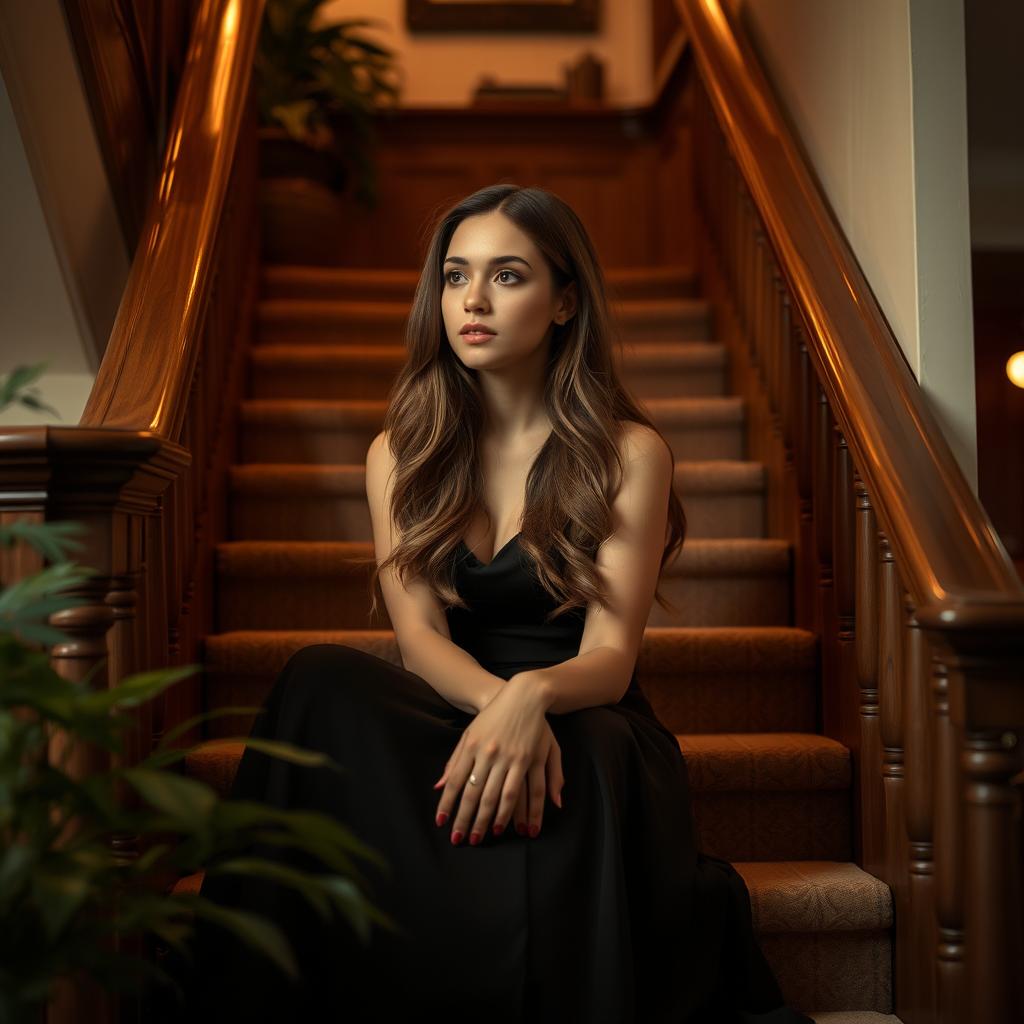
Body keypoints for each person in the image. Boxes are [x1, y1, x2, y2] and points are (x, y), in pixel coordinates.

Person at [179, 184, 815, 1023]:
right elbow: (418, 641)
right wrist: (495, 704)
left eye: (507, 276)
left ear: (565, 302)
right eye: (454, 276)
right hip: (456, 696)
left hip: (586, 707)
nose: (471, 301)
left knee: (584, 750)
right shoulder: (400, 453)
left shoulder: (629, 451)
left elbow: (613, 655)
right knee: (318, 680)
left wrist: (534, 697)